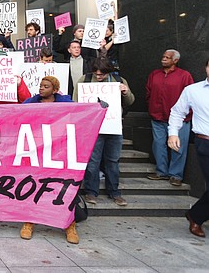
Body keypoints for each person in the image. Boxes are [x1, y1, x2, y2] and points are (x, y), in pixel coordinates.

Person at [20, 76, 78, 244]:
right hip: (36, 150)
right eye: (40, 86)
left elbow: (82, 113)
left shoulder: (66, 104)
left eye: (46, 86)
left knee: (63, 188)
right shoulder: (30, 104)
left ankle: (69, 225)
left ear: (54, 90)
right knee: (32, 185)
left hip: (59, 152)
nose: (41, 89)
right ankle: (28, 222)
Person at [74, 57, 135, 207]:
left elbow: (130, 101)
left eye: (102, 74)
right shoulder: (85, 80)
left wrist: (125, 92)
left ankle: (114, 191)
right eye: (96, 73)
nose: (98, 76)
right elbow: (76, 102)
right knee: (93, 161)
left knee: (113, 161)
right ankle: (91, 191)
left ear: (109, 72)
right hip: (92, 128)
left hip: (114, 127)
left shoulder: (119, 80)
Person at [168, 59, 209, 238]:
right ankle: (196, 216)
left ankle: (196, 214)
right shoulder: (193, 90)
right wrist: (173, 133)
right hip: (205, 142)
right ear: (206, 67)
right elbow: (177, 112)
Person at [146, 50, 194, 186]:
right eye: (163, 57)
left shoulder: (184, 76)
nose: (164, 59)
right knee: (158, 145)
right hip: (157, 116)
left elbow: (191, 97)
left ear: (175, 60)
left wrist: (187, 115)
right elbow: (148, 92)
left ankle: (176, 175)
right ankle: (161, 171)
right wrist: (151, 106)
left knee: (178, 146)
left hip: (180, 119)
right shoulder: (154, 74)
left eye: (168, 58)